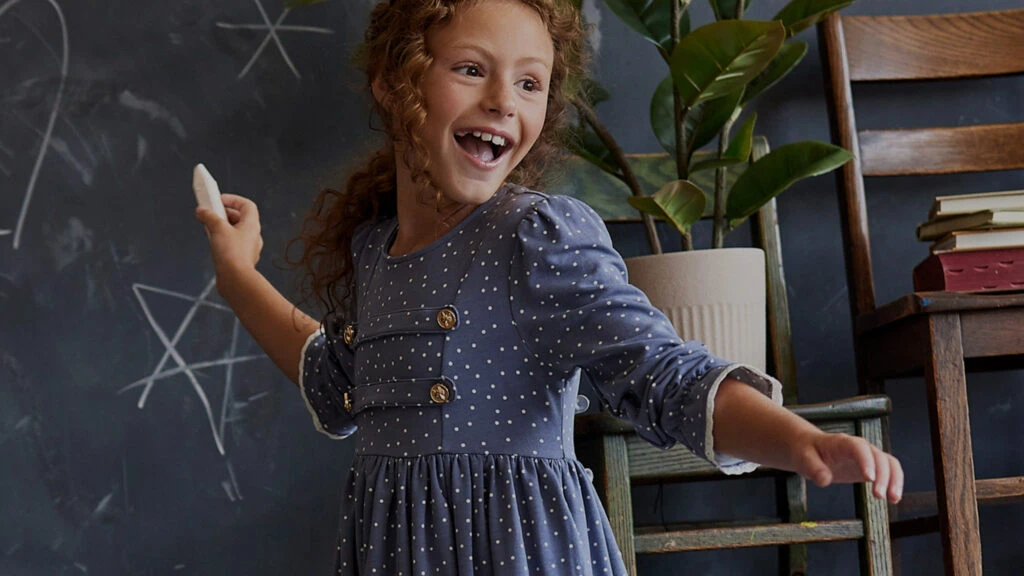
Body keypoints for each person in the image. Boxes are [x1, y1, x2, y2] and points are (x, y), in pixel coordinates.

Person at [194, 0, 904, 574]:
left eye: (530, 82)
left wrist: (795, 439)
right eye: (471, 69)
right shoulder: (376, 252)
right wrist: (237, 273)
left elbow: (661, 372)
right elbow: (333, 379)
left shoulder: (534, 238)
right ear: (393, 79)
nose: (505, 101)